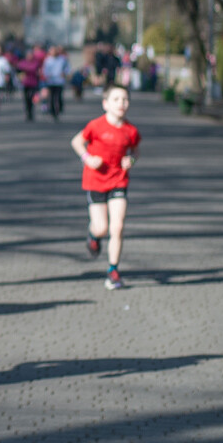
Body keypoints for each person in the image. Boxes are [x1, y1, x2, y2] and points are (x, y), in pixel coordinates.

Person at [69, 83, 140, 290]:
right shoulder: (95, 126)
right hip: (95, 181)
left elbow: (135, 151)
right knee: (101, 228)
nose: (122, 104)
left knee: (117, 226)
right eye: (116, 99)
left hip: (119, 180)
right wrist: (87, 158)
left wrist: (132, 161)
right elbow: (76, 142)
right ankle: (93, 236)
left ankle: (113, 270)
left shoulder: (131, 130)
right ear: (105, 104)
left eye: (125, 99)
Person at [15, 44, 46, 121]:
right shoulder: (23, 62)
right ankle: (27, 113)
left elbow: (38, 71)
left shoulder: (36, 63)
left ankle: (31, 113)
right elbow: (18, 69)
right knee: (26, 99)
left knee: (32, 98)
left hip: (33, 83)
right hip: (25, 83)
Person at [42, 45, 72, 121]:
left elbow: (67, 68)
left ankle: (59, 109)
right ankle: (52, 112)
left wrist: (64, 73)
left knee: (58, 97)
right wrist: (47, 75)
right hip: (51, 81)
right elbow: (45, 70)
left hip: (59, 81)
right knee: (51, 97)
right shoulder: (48, 60)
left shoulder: (62, 59)